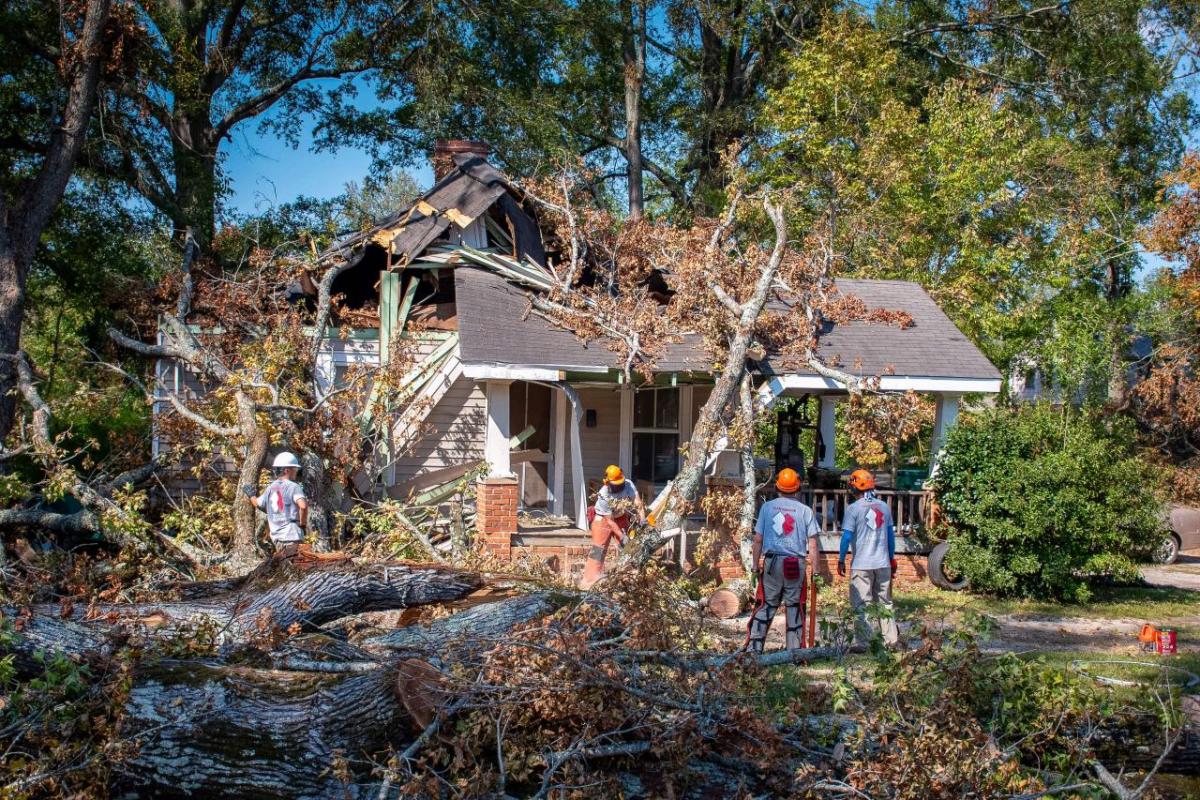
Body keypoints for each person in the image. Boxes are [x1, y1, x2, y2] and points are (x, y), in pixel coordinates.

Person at [746, 468, 821, 653]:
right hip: (796, 564)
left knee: (766, 605)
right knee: (795, 606)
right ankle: (794, 653)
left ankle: (753, 651)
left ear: (778, 486)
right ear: (797, 488)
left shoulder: (767, 507)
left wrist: (755, 568)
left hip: (772, 563)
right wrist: (816, 571)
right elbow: (812, 544)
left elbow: (757, 540)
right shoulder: (805, 511)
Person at [837, 469, 899, 649]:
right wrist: (891, 558)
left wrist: (841, 559)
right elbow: (890, 537)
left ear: (854, 487)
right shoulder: (884, 507)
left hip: (861, 565)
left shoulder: (853, 509)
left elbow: (847, 537)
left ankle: (865, 643)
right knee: (885, 603)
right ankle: (891, 641)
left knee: (861, 604)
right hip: (883, 563)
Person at [580, 465, 645, 588]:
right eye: (616, 484)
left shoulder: (628, 484)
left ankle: (628, 577)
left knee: (627, 548)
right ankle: (589, 581)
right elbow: (610, 521)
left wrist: (642, 519)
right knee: (598, 550)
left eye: (620, 483)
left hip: (620, 517)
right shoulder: (604, 494)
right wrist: (621, 536)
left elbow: (638, 503)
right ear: (608, 482)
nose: (619, 486)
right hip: (603, 519)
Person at [243, 451, 309, 548]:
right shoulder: (294, 487)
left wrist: (251, 495)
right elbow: (303, 506)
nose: (296, 471)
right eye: (294, 469)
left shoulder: (270, 488)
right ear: (287, 470)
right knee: (295, 562)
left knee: (285, 562)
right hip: (292, 535)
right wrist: (302, 525)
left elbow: (257, 503)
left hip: (277, 538)